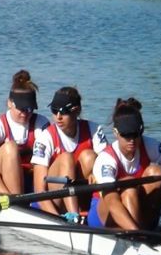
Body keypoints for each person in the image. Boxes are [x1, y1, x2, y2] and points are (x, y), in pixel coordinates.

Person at [89, 98, 161, 231]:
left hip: (135, 213)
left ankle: (146, 229)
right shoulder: (106, 159)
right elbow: (112, 202)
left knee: (157, 172)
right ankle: (140, 233)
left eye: (136, 134)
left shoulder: (150, 145)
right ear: (116, 133)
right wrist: (136, 232)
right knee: (129, 185)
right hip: (103, 217)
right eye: (126, 135)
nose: (132, 140)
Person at [31, 87, 108, 216]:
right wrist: (56, 219)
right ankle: (74, 216)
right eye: (54, 111)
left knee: (90, 157)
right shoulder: (45, 137)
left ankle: (87, 212)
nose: (58, 117)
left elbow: (109, 164)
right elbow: (39, 190)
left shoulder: (94, 130)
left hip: (82, 196)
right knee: (66, 158)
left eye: (64, 112)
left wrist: (97, 173)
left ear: (76, 111)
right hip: (52, 201)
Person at [0, 69, 50, 194]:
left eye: (29, 108)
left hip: (32, 180)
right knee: (10, 148)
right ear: (9, 103)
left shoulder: (41, 123)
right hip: (0, 184)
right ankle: (16, 200)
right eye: (21, 108)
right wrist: (9, 198)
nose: (25, 113)